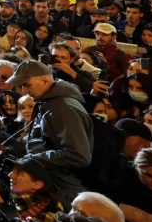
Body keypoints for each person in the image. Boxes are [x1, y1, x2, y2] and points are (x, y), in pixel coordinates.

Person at [7, 59, 93, 205]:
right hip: (54, 178)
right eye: (21, 85)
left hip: (64, 185)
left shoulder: (63, 108)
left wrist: (36, 158)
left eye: (27, 84)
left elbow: (79, 156)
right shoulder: (49, 101)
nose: (24, 91)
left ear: (45, 81)